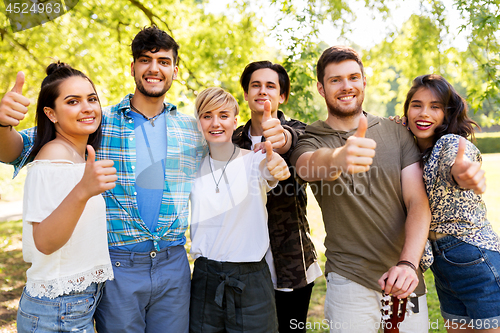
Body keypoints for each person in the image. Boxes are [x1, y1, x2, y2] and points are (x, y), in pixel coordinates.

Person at [0, 26, 204, 332]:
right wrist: (3, 124)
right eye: (145, 59)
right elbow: (16, 149)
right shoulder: (95, 120)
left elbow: (234, 152)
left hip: (173, 263)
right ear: (132, 67)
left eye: (163, 61)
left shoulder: (192, 129)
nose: (154, 68)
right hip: (119, 266)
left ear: (175, 70)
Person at [290, 45, 432, 332]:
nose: (346, 86)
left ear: (364, 81)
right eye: (335, 80)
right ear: (321, 88)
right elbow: (308, 166)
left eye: (353, 77)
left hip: (404, 276)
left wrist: (407, 264)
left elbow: (418, 202)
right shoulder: (310, 138)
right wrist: (340, 157)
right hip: (348, 280)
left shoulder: (397, 132)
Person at [16, 62, 116, 332]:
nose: (87, 108)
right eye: (73, 101)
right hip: (57, 309)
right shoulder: (54, 156)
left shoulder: (76, 156)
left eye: (92, 99)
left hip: (75, 303)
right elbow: (45, 242)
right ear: (51, 113)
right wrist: (83, 190)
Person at [402, 74, 500, 332]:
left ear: (448, 114)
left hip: (475, 258)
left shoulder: (449, 144)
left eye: (435, 107)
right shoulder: (413, 151)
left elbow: (458, 160)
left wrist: (464, 172)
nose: (424, 113)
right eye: (416, 105)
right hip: (444, 269)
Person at [189, 87, 290, 332]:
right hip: (205, 278)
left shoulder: (255, 160)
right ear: (199, 122)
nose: (216, 123)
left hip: (251, 279)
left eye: (223, 116)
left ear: (235, 121)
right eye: (207, 115)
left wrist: (277, 165)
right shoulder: (190, 168)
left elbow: (272, 168)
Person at [232, 61, 321, 332]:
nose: (262, 91)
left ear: (282, 96)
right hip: (245, 261)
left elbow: (295, 142)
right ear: (246, 94)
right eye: (255, 85)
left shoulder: (300, 132)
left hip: (292, 263)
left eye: (271, 86)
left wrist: (282, 139)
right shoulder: (233, 141)